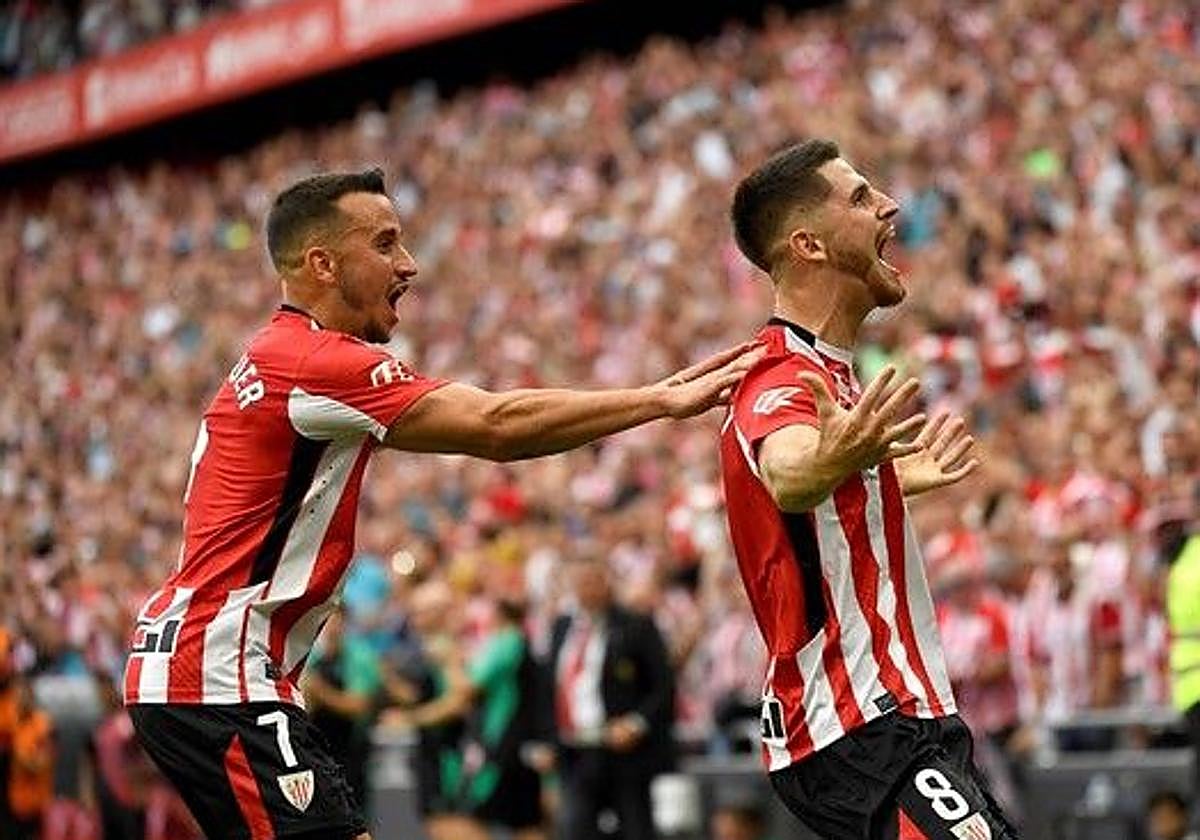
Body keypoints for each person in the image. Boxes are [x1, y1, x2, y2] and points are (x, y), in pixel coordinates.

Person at [122, 167, 758, 840]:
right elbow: (495, 425)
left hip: (196, 670)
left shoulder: (274, 355)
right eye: (386, 243)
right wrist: (657, 399)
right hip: (220, 679)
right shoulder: (317, 362)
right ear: (323, 263)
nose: (410, 264)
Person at [718, 139, 1015, 839]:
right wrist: (828, 461)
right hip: (858, 724)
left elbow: (808, 498)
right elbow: (788, 469)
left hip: (903, 719)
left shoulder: (833, 374)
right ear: (808, 245)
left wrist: (876, 481)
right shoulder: (782, 373)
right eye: (859, 197)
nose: (888, 207)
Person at [541, 551, 675, 840]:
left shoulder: (635, 625)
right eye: (579, 582)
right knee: (574, 827)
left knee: (635, 827)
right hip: (575, 749)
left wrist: (636, 723)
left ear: (607, 581)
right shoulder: (562, 627)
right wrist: (548, 740)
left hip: (623, 751)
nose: (585, 589)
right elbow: (551, 687)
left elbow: (664, 686)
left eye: (592, 580)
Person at [389, 598, 544, 840]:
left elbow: (460, 697)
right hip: (469, 744)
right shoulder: (432, 649)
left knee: (456, 821)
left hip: (474, 746)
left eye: (422, 611)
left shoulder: (497, 643)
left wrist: (410, 719)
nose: (415, 618)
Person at [7, 678, 54, 840]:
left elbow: (43, 763)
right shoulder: (12, 723)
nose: (20, 699)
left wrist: (22, 757)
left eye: (23, 694)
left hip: (37, 803)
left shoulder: (43, 724)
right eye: (17, 695)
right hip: (15, 801)